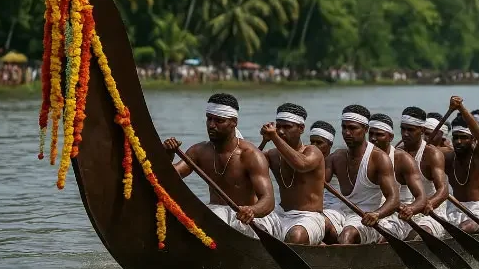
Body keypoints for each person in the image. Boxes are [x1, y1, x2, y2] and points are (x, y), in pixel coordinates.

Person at [162, 93, 278, 239]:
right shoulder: (199, 151)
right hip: (216, 212)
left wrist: (251, 210)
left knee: (221, 224)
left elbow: (268, 200)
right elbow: (170, 176)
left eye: (219, 121)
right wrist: (168, 154)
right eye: (209, 119)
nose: (211, 125)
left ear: (234, 122)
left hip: (247, 217)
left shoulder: (251, 155)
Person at [322, 105, 400, 244]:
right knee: (320, 224)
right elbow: (315, 186)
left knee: (347, 235)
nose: (347, 132)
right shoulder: (336, 157)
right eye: (344, 127)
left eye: (352, 128)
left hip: (366, 216)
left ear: (365, 129)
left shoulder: (379, 158)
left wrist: (377, 214)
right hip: (339, 212)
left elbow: (394, 200)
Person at [260, 103, 327, 245]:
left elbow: (301, 164)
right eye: (279, 127)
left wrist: (274, 138)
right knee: (251, 228)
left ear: (301, 129)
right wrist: (264, 142)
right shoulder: (272, 154)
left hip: (309, 217)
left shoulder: (313, 152)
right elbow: (251, 166)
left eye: (287, 127)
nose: (281, 131)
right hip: (280, 213)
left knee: (296, 236)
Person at [367, 113, 427, 240]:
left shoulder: (403, 159)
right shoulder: (364, 157)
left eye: (379, 135)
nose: (373, 139)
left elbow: (421, 198)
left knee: (383, 238)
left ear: (390, 137)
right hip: (370, 213)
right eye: (371, 134)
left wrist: (410, 209)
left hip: (399, 215)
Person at [444, 96, 479, 233]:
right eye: (455, 138)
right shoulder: (448, 157)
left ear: (473, 139)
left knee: (465, 228)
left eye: (464, 138)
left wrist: (461, 108)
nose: (459, 142)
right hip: (454, 208)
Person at [400, 107, 450, 238]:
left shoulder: (432, 154)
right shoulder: (397, 153)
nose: (405, 134)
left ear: (422, 130)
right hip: (404, 211)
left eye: (410, 130)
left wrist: (431, 202)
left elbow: (443, 191)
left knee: (416, 235)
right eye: (403, 129)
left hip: (431, 212)